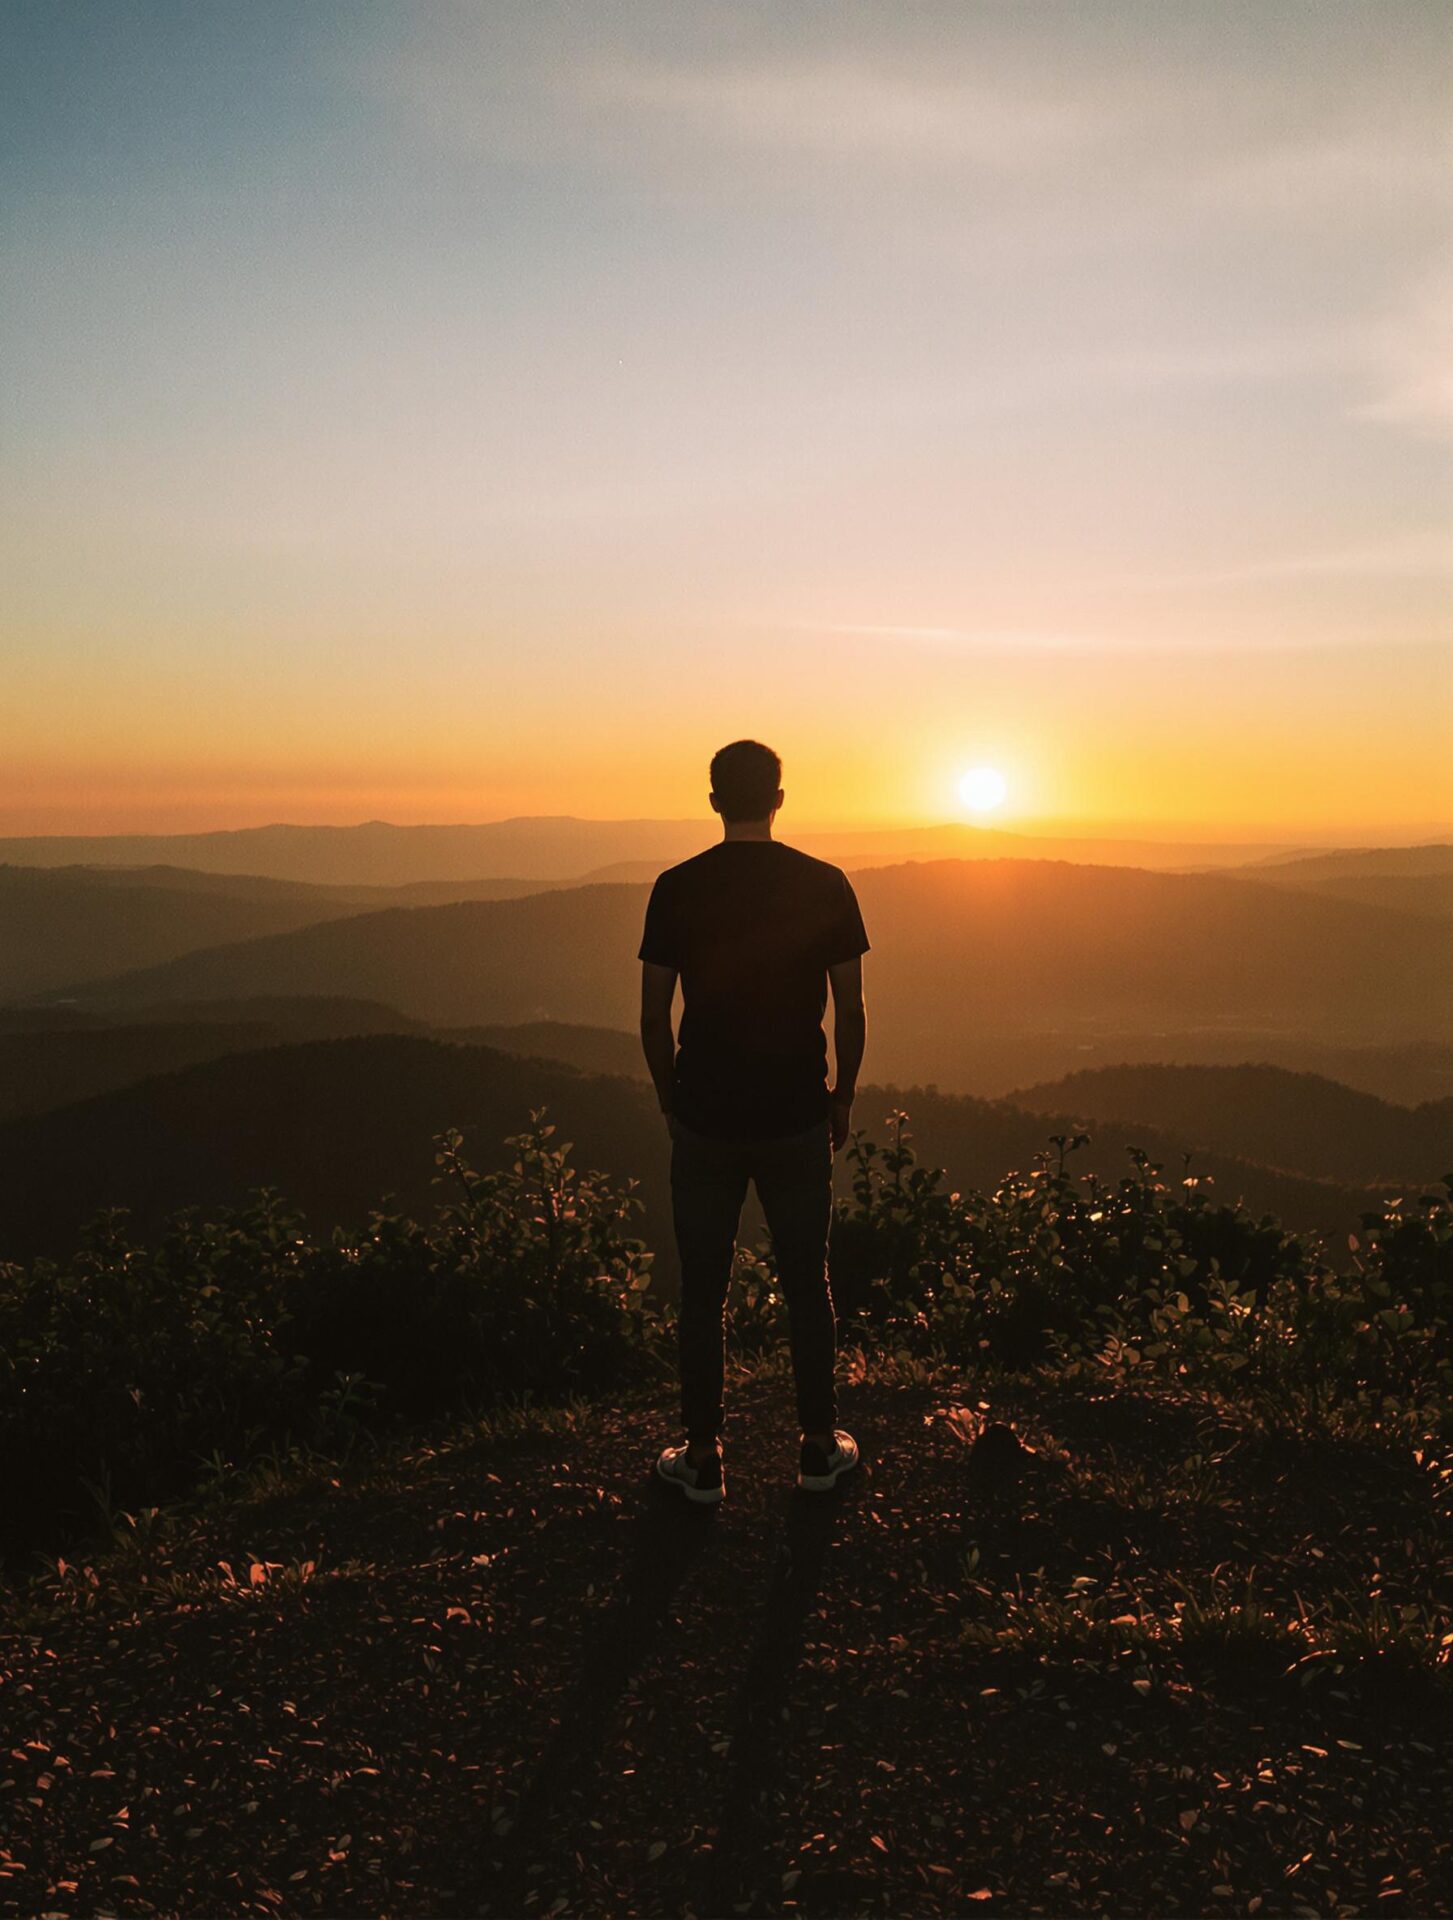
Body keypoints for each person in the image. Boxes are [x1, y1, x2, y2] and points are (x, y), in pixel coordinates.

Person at [638, 739, 869, 1505]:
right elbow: (850, 1008)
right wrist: (840, 1098)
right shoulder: (824, 884)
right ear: (778, 797)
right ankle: (815, 1448)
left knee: (701, 1292)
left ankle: (702, 1457)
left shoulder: (676, 887)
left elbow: (651, 1014)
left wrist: (672, 1101)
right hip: (795, 1112)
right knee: (809, 1282)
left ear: (713, 800)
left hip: (704, 1116)